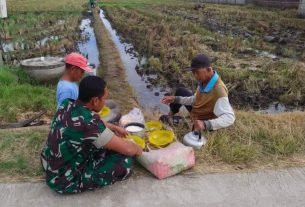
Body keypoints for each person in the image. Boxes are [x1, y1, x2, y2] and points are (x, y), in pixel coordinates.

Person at [41, 76, 142, 194]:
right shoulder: (90, 125)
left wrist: (114, 127)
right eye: (105, 98)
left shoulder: (67, 103)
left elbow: (93, 120)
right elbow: (128, 150)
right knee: (125, 162)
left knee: (105, 145)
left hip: (49, 162)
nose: (105, 102)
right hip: (63, 180)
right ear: (95, 100)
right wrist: (138, 148)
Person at [161, 54, 235, 131]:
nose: (195, 76)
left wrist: (206, 124)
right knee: (180, 91)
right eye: (193, 72)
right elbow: (195, 100)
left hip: (202, 122)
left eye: (197, 72)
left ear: (209, 70)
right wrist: (175, 99)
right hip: (198, 110)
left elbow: (229, 117)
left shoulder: (219, 90)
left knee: (163, 119)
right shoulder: (204, 81)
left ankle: (183, 123)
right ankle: (171, 115)